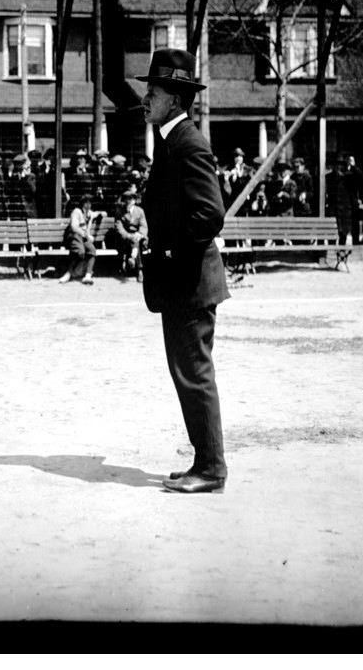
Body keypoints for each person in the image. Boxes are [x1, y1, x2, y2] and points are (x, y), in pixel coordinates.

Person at [139, 48, 229, 494]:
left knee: (195, 374)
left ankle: (212, 470)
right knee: (188, 374)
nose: (145, 97)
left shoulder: (188, 142)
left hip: (189, 282)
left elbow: (210, 215)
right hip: (182, 284)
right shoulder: (171, 139)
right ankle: (203, 461)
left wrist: (170, 254)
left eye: (152, 90)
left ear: (174, 98)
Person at [58, 195, 100, 285]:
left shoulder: (89, 213)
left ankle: (88, 275)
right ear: (82, 203)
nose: (89, 204)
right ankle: (68, 274)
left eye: (90, 202)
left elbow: (100, 213)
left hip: (83, 238)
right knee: (80, 251)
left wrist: (98, 215)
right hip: (73, 236)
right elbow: (74, 227)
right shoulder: (76, 212)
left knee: (92, 250)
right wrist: (86, 235)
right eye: (87, 202)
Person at [111, 189, 148, 279]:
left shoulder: (140, 211)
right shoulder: (120, 212)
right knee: (134, 242)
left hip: (138, 236)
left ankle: (132, 260)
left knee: (137, 241)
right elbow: (119, 228)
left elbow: (144, 226)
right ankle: (139, 270)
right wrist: (129, 236)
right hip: (124, 238)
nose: (128, 201)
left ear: (134, 201)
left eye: (130, 199)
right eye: (126, 199)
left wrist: (139, 234)